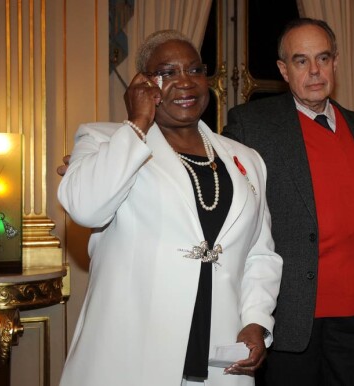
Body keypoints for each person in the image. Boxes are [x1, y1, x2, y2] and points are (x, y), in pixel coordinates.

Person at [57, 30, 282, 386]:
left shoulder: (246, 159)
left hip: (218, 357)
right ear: (143, 84)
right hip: (130, 353)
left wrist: (255, 321)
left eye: (194, 70)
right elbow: (86, 209)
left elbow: (260, 254)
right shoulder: (104, 140)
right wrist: (137, 124)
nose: (185, 82)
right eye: (168, 72)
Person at [223, 18, 354, 386]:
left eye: (322, 58)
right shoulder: (251, 125)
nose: (314, 71)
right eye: (301, 60)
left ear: (335, 62)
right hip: (289, 316)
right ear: (283, 69)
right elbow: (219, 198)